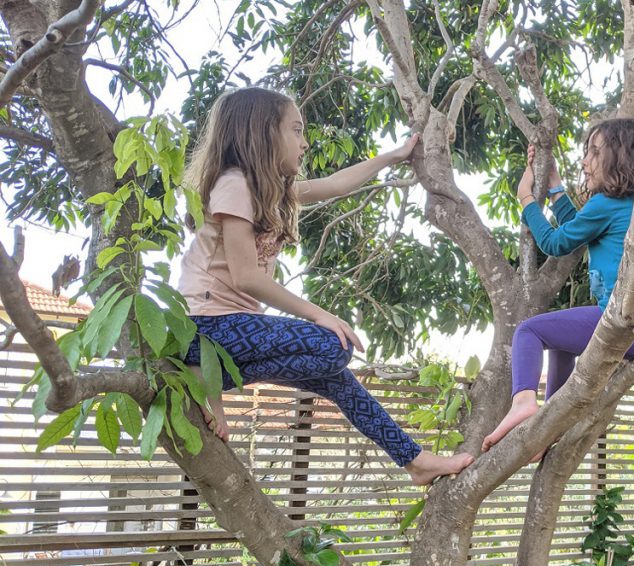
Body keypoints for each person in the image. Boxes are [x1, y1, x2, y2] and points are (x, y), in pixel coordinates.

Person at [178, 86, 473, 485]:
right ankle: (203, 373)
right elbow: (246, 276)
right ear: (263, 133)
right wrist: (321, 314)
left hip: (231, 336)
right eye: (296, 131)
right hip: (206, 329)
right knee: (333, 345)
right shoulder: (233, 183)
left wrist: (394, 156)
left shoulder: (271, 190)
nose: (305, 142)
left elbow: (335, 185)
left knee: (334, 373)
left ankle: (413, 460)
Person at [481, 118, 634, 458]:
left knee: (530, 331)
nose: (585, 161)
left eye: (594, 152)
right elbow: (578, 225)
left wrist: (527, 199)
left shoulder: (605, 205)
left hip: (629, 323)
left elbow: (555, 242)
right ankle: (549, 425)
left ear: (620, 159)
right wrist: (557, 185)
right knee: (561, 345)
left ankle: (523, 402)